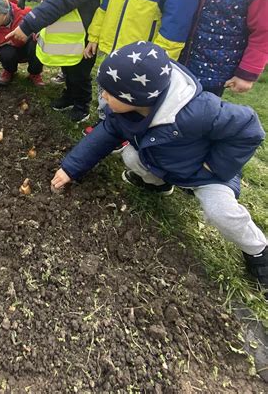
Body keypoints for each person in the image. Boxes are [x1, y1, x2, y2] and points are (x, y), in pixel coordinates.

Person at [51, 42, 267, 288]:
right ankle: (158, 185)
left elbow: (249, 129)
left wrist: (215, 167)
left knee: (221, 213)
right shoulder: (125, 112)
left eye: (111, 93)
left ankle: (258, 251)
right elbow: (104, 135)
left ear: (138, 97)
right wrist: (71, 168)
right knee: (130, 156)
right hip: (165, 163)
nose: (103, 97)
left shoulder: (199, 110)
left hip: (206, 172)